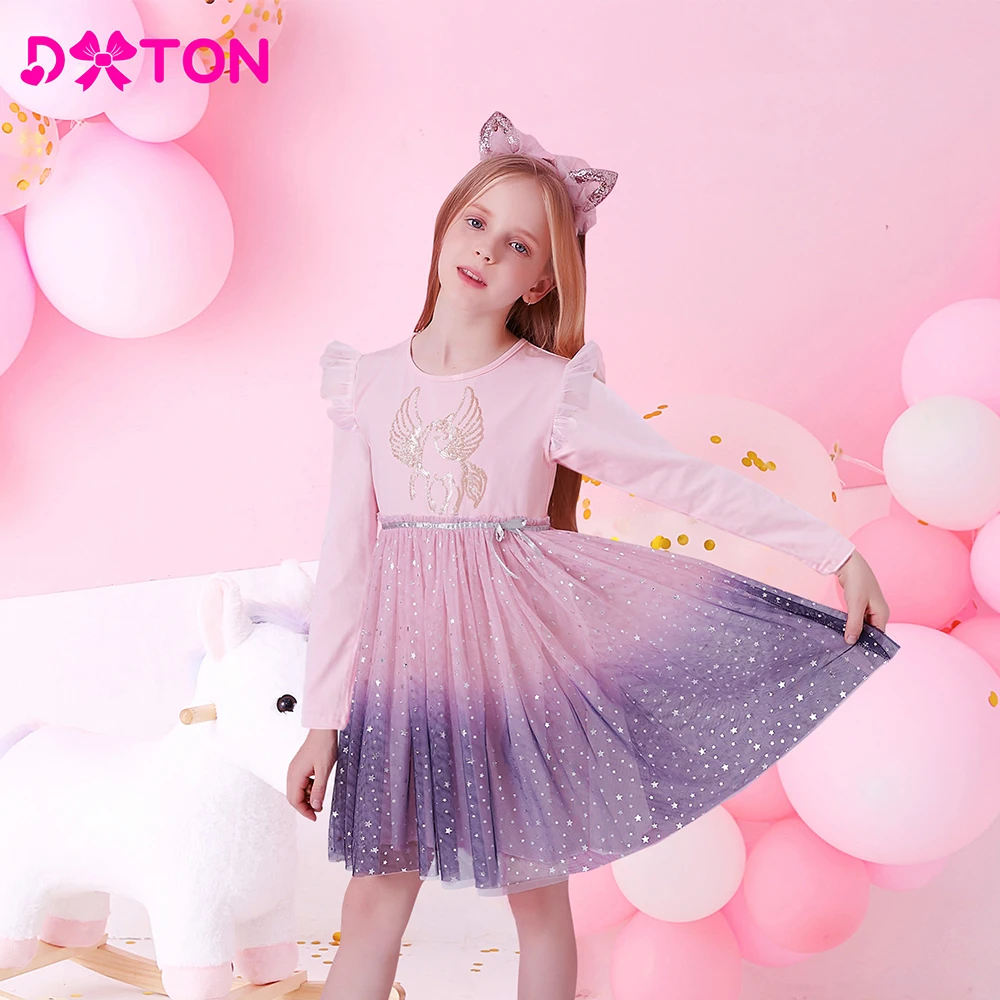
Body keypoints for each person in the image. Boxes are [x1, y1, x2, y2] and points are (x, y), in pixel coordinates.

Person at [285, 110, 899, 1000]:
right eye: (477, 222)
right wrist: (323, 719)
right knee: (375, 900)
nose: (487, 249)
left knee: (538, 902)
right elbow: (346, 560)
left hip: (512, 677)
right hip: (401, 678)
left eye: (519, 245)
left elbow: (686, 481)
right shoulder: (367, 382)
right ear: (447, 223)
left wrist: (834, 552)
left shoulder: (552, 392)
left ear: (541, 281)